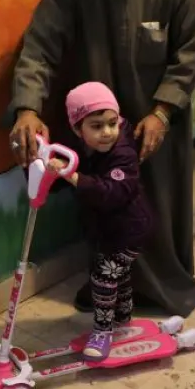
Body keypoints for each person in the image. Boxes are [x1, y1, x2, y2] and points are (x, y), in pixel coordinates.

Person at [10, 0, 195, 317]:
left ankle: (161, 291)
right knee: (104, 209)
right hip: (101, 128)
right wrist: (27, 107)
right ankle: (111, 290)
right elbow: (39, 45)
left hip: (157, 119)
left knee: (152, 211)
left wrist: (162, 111)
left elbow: (190, 54)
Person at [48, 82, 153, 360]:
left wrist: (72, 176)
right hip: (109, 230)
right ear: (77, 130)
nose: (107, 132)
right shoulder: (82, 145)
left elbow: (112, 192)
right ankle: (123, 316)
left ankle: (103, 331)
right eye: (97, 126)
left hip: (129, 231)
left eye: (112, 123)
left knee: (104, 277)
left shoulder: (123, 154)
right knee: (119, 273)